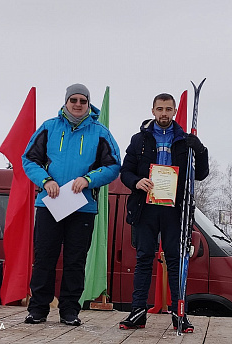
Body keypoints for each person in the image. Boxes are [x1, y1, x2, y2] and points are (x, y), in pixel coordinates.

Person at [22, 83, 120, 326]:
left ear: (89, 104)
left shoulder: (100, 132)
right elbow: (28, 159)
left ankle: (69, 311)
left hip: (82, 206)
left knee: (75, 260)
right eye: (73, 100)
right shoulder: (49, 127)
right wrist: (45, 181)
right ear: (66, 102)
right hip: (50, 205)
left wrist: (88, 180)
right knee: (44, 257)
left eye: (82, 101)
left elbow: (113, 166)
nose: (78, 104)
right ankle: (38, 309)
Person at [119, 93, 209, 331]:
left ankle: (180, 314)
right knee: (144, 259)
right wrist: (137, 182)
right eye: (160, 109)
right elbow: (125, 171)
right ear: (153, 111)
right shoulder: (139, 139)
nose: (164, 114)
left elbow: (200, 174)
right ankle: (137, 312)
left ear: (174, 111)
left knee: (175, 261)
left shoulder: (184, 139)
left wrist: (200, 150)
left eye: (168, 109)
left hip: (174, 209)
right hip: (146, 206)